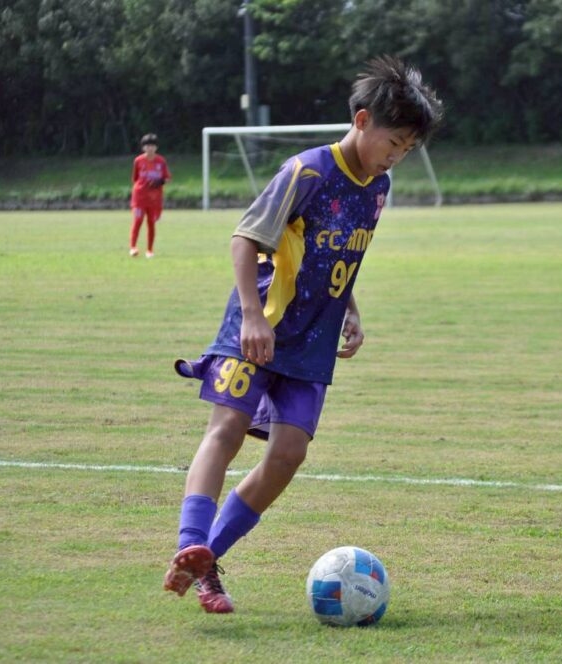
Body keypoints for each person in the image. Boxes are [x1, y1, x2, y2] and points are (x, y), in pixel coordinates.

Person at [162, 56, 443, 614]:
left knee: (289, 452)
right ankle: (190, 543)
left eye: (408, 149)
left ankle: (206, 559)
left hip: (313, 339)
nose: (397, 155)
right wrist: (251, 315)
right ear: (362, 120)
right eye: (394, 142)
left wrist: (351, 308)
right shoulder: (307, 171)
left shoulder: (378, 187)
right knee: (228, 428)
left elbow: (339, 255)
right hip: (259, 324)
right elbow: (245, 239)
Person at [130, 133, 171, 258]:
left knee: (151, 223)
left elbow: (167, 178)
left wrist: (160, 182)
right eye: (147, 146)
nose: (150, 148)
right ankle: (133, 247)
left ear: (156, 147)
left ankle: (149, 250)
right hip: (140, 197)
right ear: (143, 147)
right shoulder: (138, 161)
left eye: (152, 146)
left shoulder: (161, 161)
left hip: (154, 199)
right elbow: (135, 179)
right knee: (138, 221)